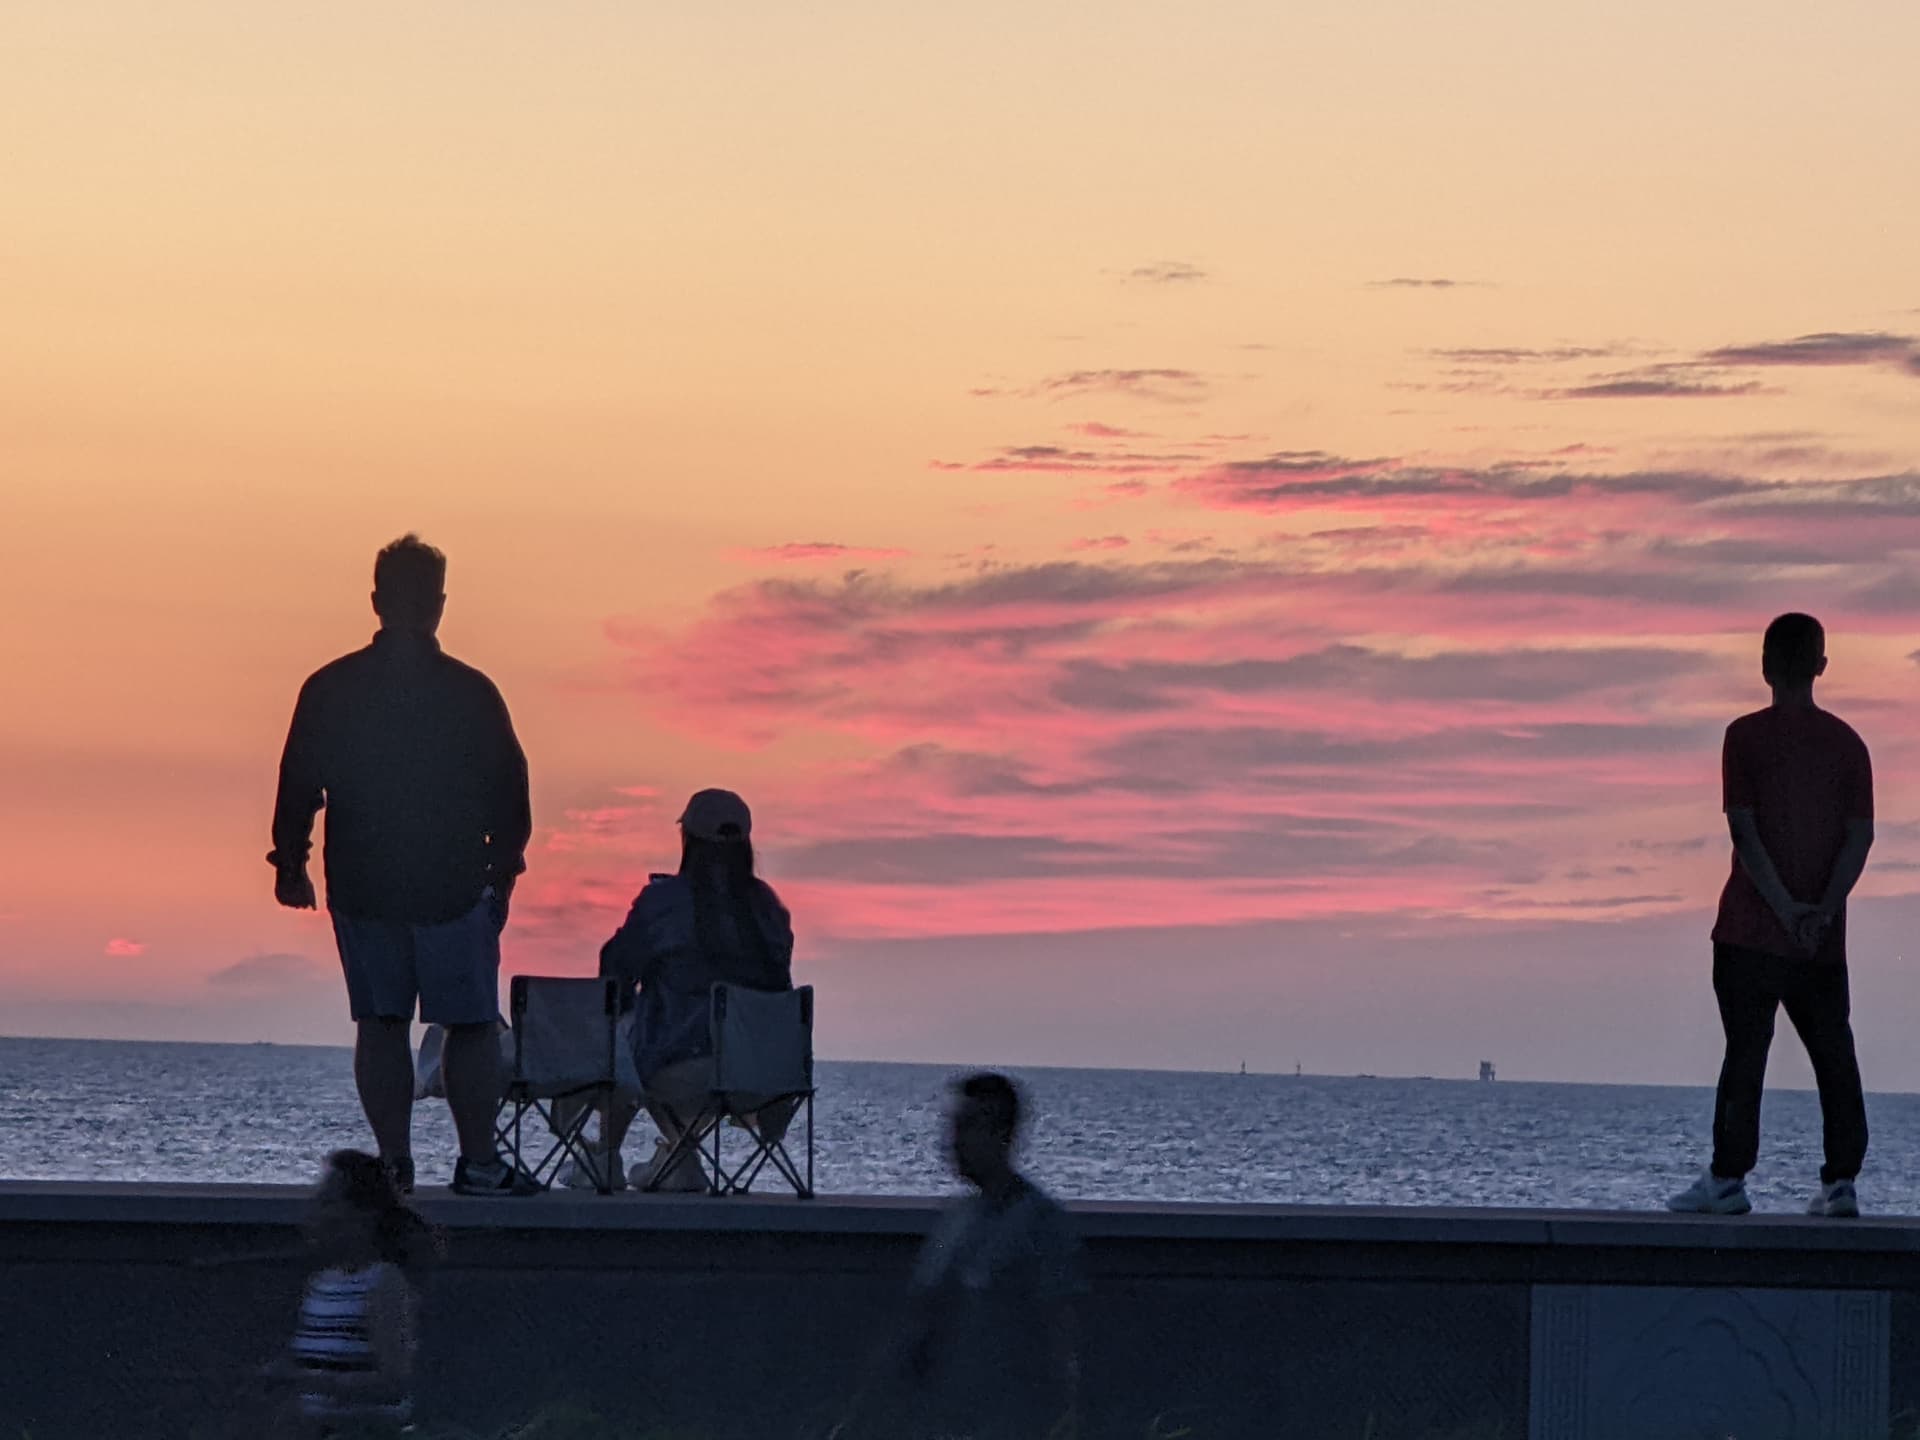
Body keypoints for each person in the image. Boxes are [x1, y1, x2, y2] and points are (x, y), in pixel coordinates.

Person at [270, 535, 537, 1196]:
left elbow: (298, 780)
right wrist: (502, 873)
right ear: (440, 605)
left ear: (376, 600)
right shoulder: (472, 692)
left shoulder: (331, 688)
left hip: (365, 882)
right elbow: (511, 789)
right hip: (451, 881)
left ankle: (394, 1163)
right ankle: (478, 1163)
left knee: (381, 1022)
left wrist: (291, 861)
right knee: (470, 1024)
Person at [1668, 612, 1875, 1219]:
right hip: (1820, 940)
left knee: (1746, 1054)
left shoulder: (1743, 736)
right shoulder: (1849, 745)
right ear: (1821, 666)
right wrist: (1821, 910)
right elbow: (1859, 839)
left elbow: (1743, 829)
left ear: (1764, 666)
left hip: (1749, 933)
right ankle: (1840, 1183)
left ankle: (1728, 1179)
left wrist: (1783, 909)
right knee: (1835, 1055)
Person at [562, 788, 794, 1192]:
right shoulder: (769, 910)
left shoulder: (665, 902)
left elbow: (615, 968)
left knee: (623, 1035)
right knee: (656, 1036)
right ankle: (678, 1156)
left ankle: (604, 1156)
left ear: (687, 839)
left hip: (683, 1070)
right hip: (768, 1075)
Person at [836, 1073, 1086, 1440]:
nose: (953, 1142)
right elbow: (919, 1316)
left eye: (967, 1127)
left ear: (1003, 1135)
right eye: (954, 1127)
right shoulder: (954, 1220)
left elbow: (1060, 1335)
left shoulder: (1040, 1226)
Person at [283, 1149, 435, 1437]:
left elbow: (394, 1382)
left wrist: (310, 1382)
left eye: (328, 1203)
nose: (316, 1213)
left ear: (362, 1216)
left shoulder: (383, 1283)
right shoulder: (321, 1283)